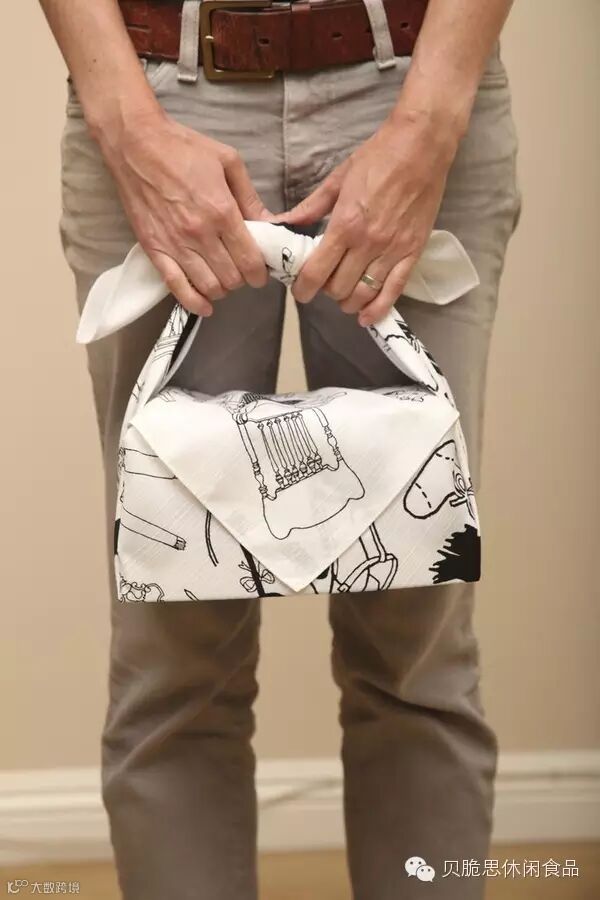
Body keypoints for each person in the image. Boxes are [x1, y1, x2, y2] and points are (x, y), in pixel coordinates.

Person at [39, 0, 521, 897]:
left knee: (420, 642)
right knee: (170, 655)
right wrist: (126, 123)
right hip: (154, 90)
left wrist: (429, 121)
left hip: (412, 77)